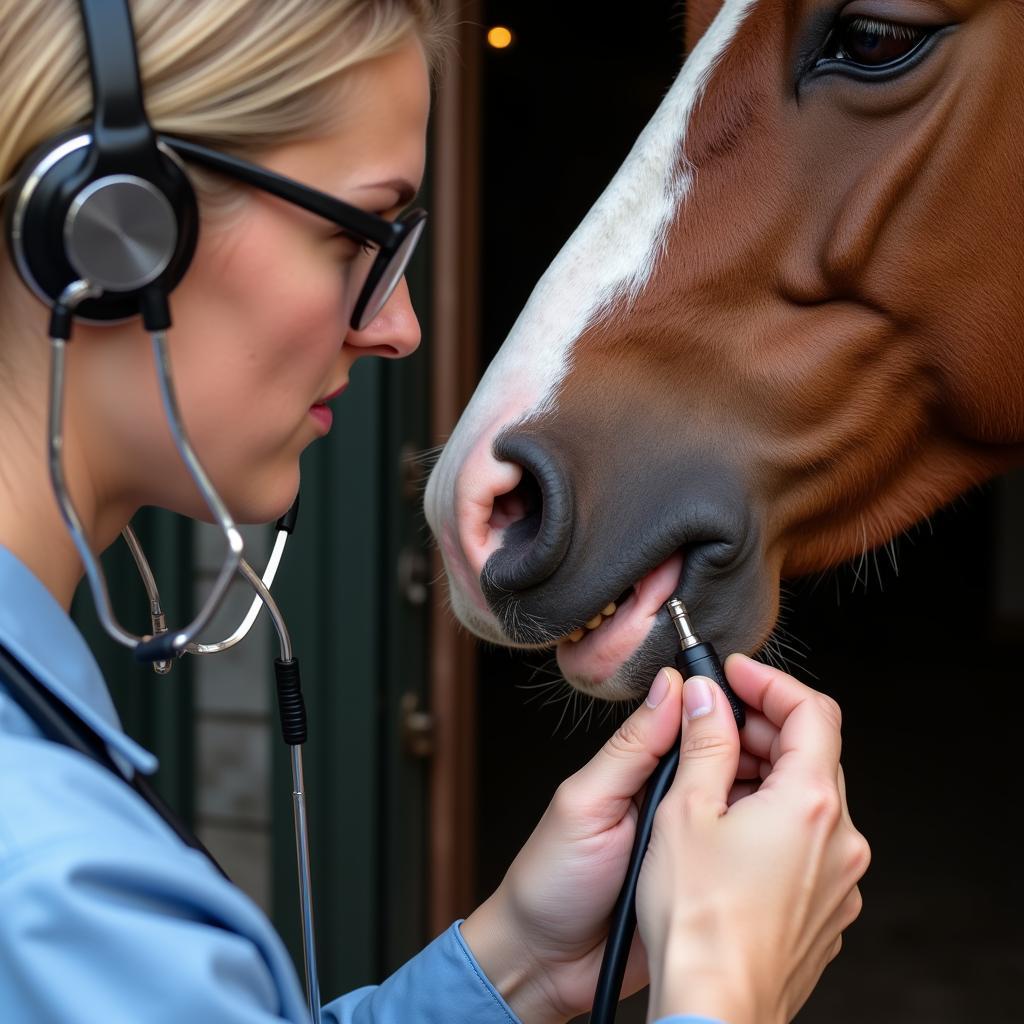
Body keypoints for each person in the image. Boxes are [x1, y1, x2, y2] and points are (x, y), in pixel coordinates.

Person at [0, 1, 870, 1022]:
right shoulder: (48, 887)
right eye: (351, 236)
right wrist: (722, 987)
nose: (401, 326)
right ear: (108, 229)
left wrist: (517, 962)